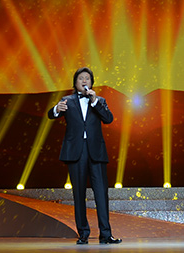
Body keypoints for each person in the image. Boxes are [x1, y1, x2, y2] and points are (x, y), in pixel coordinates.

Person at [48, 66, 121, 245]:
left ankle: (106, 234)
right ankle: (83, 233)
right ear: (75, 83)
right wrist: (56, 108)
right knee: (79, 194)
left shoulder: (99, 100)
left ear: (92, 83)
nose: (84, 81)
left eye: (87, 78)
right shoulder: (67, 100)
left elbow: (109, 119)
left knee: (101, 194)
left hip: (96, 152)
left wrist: (95, 102)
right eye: (81, 78)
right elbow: (51, 115)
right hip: (76, 152)